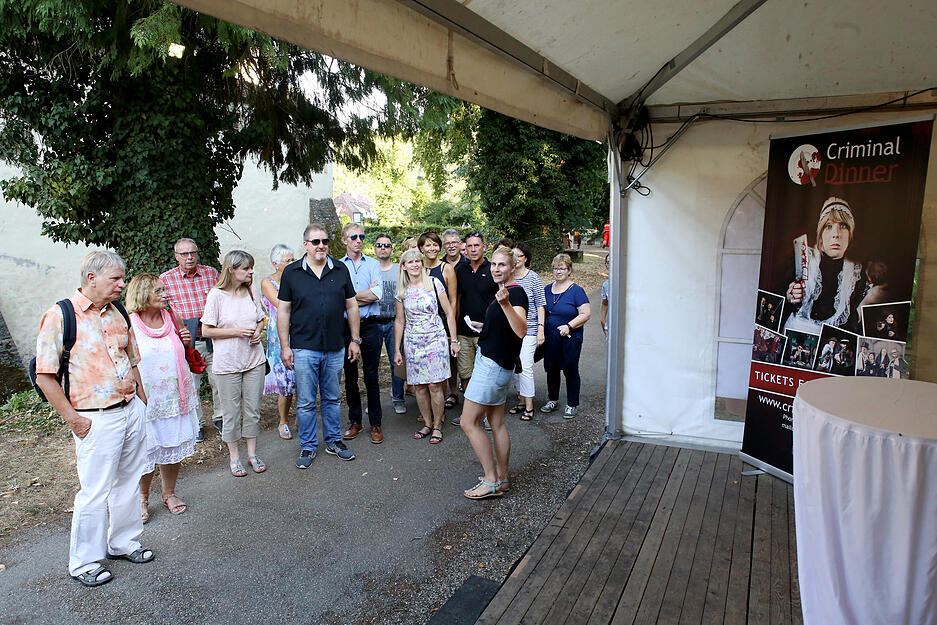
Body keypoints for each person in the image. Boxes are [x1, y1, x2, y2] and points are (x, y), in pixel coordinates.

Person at [35, 251, 153, 587]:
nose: (121, 284)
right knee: (95, 491)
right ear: (91, 278)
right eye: (115, 279)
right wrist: (75, 420)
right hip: (94, 419)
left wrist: (141, 402)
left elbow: (132, 360)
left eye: (122, 278)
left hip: (129, 410)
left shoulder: (117, 312)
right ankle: (84, 561)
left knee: (129, 481)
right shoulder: (60, 316)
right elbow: (45, 376)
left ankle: (123, 542)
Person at [278, 223, 360, 468]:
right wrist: (285, 346)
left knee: (333, 398)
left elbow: (352, 306)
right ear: (305, 245)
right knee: (305, 401)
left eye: (324, 241)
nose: (321, 246)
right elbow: (283, 311)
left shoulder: (340, 269)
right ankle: (308, 446)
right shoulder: (292, 273)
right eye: (315, 242)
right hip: (304, 348)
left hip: (335, 347)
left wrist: (354, 339)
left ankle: (334, 441)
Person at [125, 274, 198, 522]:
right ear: (142, 295)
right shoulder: (130, 324)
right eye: (159, 291)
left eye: (165, 289)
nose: (165, 294)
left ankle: (168, 493)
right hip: (146, 398)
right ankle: (142, 498)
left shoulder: (171, 317)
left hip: (174, 397)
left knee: (173, 445)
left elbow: (183, 344)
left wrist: (185, 340)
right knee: (147, 452)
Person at [459, 246, 529, 499]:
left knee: (468, 422)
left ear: (513, 267)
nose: (496, 269)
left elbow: (521, 330)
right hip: (498, 363)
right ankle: (502, 478)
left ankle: (490, 480)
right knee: (496, 423)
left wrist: (506, 305)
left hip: (492, 366)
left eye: (502, 265)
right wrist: (485, 325)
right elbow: (505, 328)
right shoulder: (504, 292)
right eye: (494, 265)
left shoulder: (515, 294)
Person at [200, 250, 268, 478]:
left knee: (253, 410)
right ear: (231, 269)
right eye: (246, 268)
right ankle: (234, 457)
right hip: (227, 363)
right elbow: (206, 330)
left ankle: (252, 454)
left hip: (254, 360)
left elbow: (260, 319)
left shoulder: (251, 290)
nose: (251, 272)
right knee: (231, 413)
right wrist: (236, 331)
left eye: (251, 267)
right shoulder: (216, 295)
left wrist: (258, 332)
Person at [394, 249, 460, 443]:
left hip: (435, 339)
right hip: (413, 342)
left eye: (417, 261)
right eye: (410, 262)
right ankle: (427, 423)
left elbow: (448, 313)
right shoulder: (402, 290)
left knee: (434, 385)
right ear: (403, 266)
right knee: (420, 387)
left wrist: (453, 340)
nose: (414, 265)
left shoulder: (434, 283)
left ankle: (438, 425)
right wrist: (397, 349)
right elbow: (399, 321)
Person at [160, 238, 221, 442]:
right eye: (184, 254)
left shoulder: (212, 273)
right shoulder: (166, 280)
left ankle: (221, 418)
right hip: (186, 341)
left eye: (192, 253)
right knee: (190, 385)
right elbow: (161, 310)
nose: (189, 257)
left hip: (213, 338)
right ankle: (197, 424)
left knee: (218, 380)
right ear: (176, 256)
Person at [784, 197, 864, 334]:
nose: (836, 234)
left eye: (843, 226)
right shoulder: (803, 259)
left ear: (850, 234)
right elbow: (780, 301)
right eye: (828, 226)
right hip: (796, 332)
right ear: (821, 233)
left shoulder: (857, 273)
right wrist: (790, 295)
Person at [338, 223, 385, 444]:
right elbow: (336, 297)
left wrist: (349, 296)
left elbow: (377, 294)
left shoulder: (373, 264)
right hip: (345, 328)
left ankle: (376, 424)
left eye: (362, 236)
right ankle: (355, 421)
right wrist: (360, 295)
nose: (359, 240)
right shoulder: (337, 267)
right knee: (350, 378)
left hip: (370, 325)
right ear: (344, 240)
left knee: (372, 375)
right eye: (354, 236)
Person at [541, 253, 591, 418]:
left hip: (570, 338)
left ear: (569, 270)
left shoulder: (576, 291)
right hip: (551, 337)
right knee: (551, 368)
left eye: (562, 268)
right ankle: (552, 400)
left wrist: (570, 326)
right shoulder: (547, 289)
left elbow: (586, 313)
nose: (558, 271)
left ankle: (572, 404)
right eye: (555, 268)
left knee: (570, 369)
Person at [454, 232, 499, 406]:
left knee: (488, 374)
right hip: (464, 333)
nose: (473, 249)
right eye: (470, 246)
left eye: (476, 245)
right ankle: (470, 412)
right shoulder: (460, 270)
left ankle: (488, 414)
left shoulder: (493, 269)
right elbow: (456, 300)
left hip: (487, 333)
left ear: (484, 247)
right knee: (466, 374)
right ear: (465, 248)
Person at [260, 244, 297, 440]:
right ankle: (283, 421)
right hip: (280, 337)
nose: (292, 263)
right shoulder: (267, 283)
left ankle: (302, 417)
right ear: (276, 264)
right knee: (285, 381)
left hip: (299, 333)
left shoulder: (297, 279)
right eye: (288, 260)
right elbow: (281, 304)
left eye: (293, 259)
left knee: (302, 379)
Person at [419, 231, 459, 408]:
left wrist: (452, 329)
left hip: (442, 323)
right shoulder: (416, 268)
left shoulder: (446, 269)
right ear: (421, 248)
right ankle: (429, 409)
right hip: (421, 325)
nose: (432, 248)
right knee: (424, 370)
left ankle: (441, 407)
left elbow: (453, 300)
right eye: (428, 245)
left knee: (440, 369)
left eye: (435, 245)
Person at [506, 242, 545, 422]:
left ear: (525, 258)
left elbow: (540, 305)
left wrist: (540, 330)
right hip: (511, 330)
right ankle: (521, 400)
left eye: (520, 256)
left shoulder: (533, 278)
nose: (517, 259)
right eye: (513, 256)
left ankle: (529, 406)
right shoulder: (508, 278)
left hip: (530, 329)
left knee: (526, 367)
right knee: (516, 367)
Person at [373, 234, 406, 414]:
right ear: (375, 248)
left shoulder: (399, 271)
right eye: (379, 245)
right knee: (373, 364)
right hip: (373, 323)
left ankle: (398, 398)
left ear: (392, 249)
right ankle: (373, 402)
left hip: (394, 321)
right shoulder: (370, 269)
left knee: (397, 361)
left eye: (386, 245)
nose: (383, 248)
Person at [441, 228, 468, 406]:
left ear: (460, 244)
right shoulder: (440, 265)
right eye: (447, 243)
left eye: (454, 242)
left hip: (467, 316)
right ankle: (452, 392)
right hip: (445, 317)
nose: (451, 246)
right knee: (449, 357)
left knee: (466, 357)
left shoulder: (468, 263)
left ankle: (470, 396)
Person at [601, 254, 610, 338]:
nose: (609, 265)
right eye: (607, 263)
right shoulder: (606, 285)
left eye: (612, 262)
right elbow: (605, 303)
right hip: (610, 327)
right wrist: (603, 319)